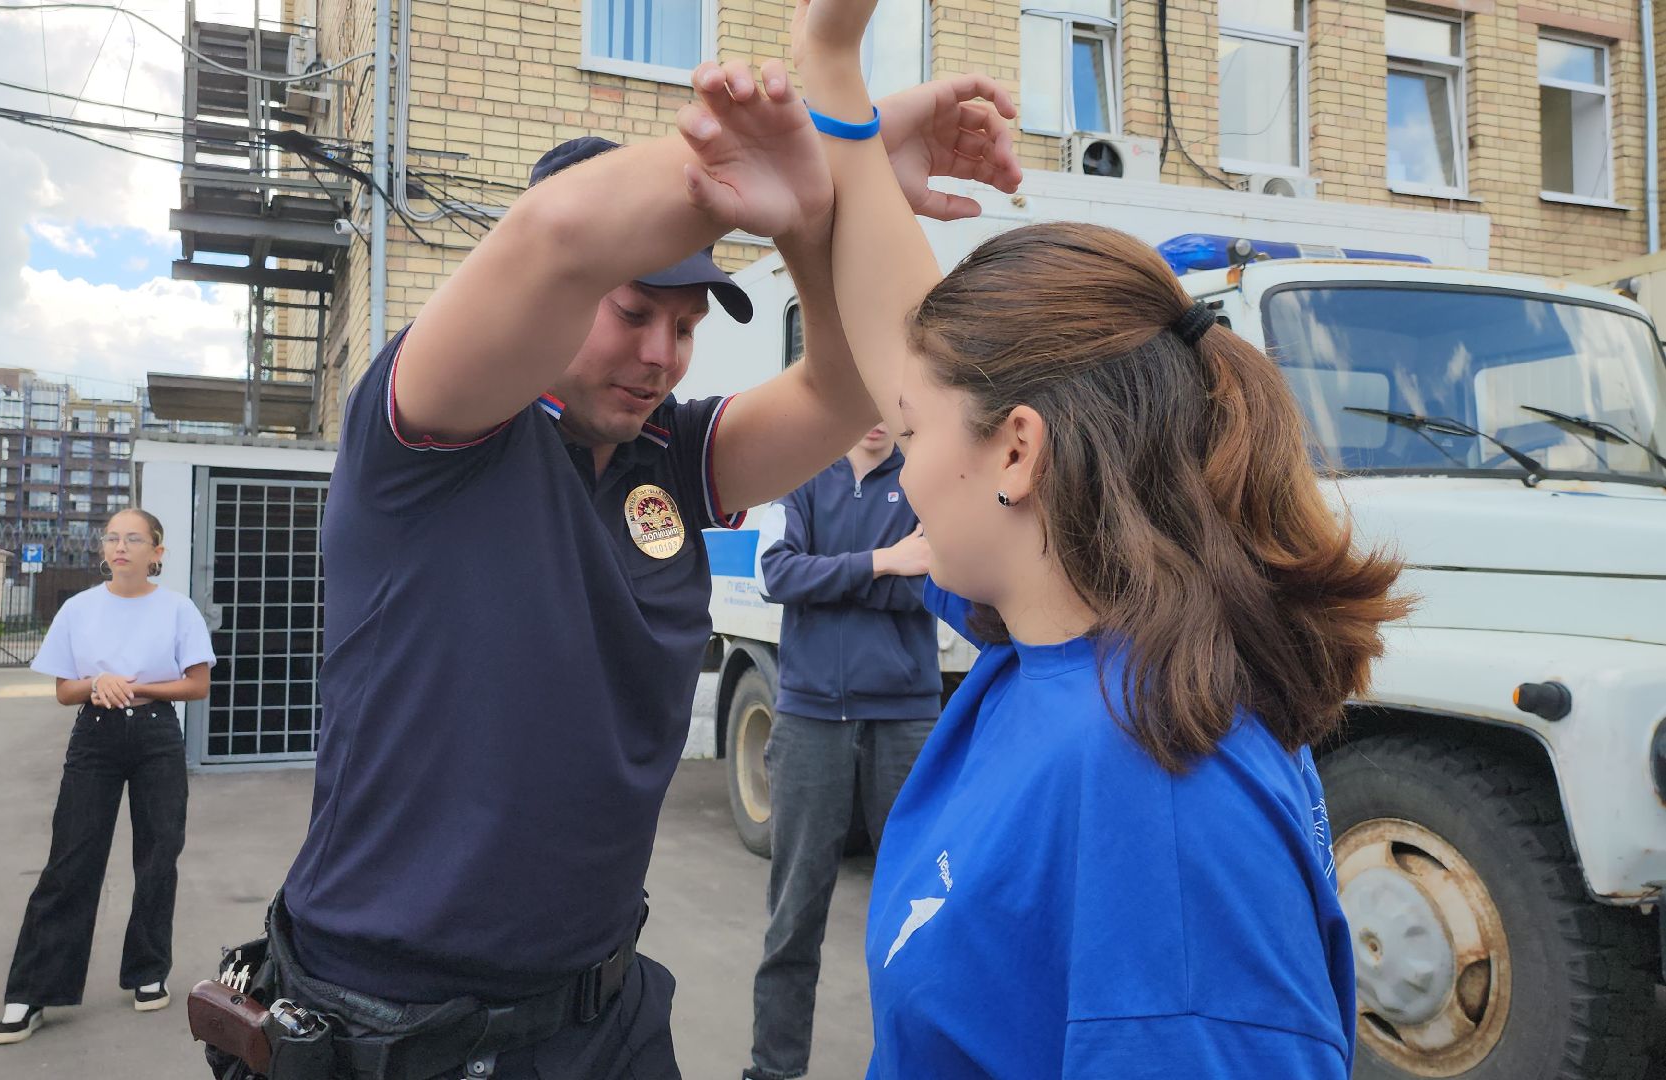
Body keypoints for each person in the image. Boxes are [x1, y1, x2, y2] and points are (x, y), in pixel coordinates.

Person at [207, 61, 1022, 1080]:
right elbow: (558, 238)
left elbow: (847, 382)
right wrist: (823, 137)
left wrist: (836, 193)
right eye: (633, 313)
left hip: (600, 1010)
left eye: (684, 328)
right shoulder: (433, 431)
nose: (661, 356)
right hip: (394, 1018)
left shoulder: (670, 456)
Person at [676, 5, 1413, 1075]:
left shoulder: (1162, 810)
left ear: (1017, 454)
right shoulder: (1064, 641)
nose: (904, 469)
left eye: (912, 433)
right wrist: (830, 60)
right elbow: (904, 338)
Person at [747, 424, 939, 1080]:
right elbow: (776, 573)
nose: (875, 416)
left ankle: (916, 1066)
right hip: (809, 718)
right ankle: (773, 1069)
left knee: (918, 917)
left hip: (904, 718)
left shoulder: (923, 478)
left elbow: (930, 582)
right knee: (794, 914)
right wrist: (881, 562)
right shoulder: (801, 477)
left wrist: (828, 577)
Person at [0, 508, 215, 1045]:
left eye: (134, 539)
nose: (120, 546)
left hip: (157, 735)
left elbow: (197, 684)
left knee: (158, 854)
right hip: (95, 735)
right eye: (113, 538)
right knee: (71, 858)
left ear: (156, 552)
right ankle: (33, 992)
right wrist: (97, 683)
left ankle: (148, 971)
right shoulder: (80, 608)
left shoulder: (177, 609)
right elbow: (63, 690)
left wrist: (138, 688)